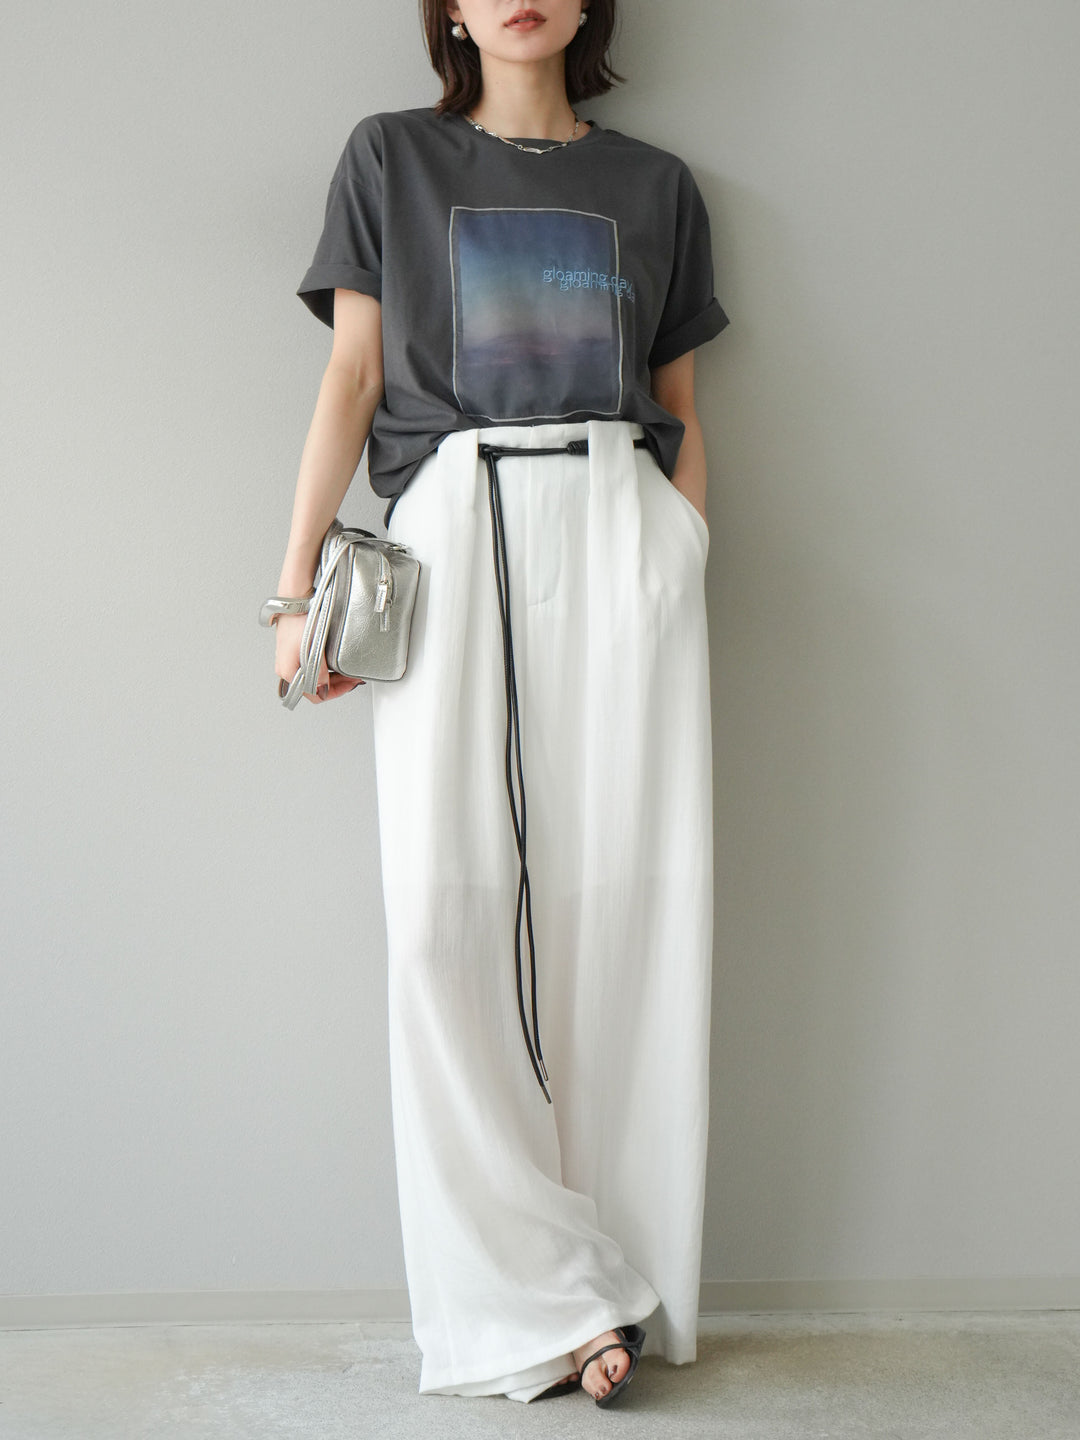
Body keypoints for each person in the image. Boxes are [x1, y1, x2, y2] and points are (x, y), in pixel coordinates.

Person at [269, 0, 730, 1407]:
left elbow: (681, 398)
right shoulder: (390, 158)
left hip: (619, 526)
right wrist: (292, 592)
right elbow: (353, 375)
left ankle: (624, 1281)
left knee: (629, 907)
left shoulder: (656, 185)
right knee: (440, 922)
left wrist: (680, 547)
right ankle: (534, 1294)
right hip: (451, 526)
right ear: (451, 12)